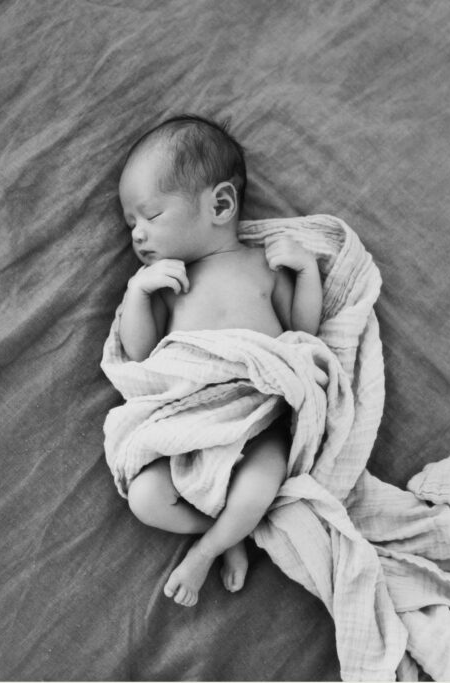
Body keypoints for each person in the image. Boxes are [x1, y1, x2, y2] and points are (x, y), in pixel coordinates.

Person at [116, 114, 323, 607]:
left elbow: (302, 334)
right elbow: (140, 354)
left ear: (221, 204)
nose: (138, 235)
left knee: (260, 484)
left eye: (151, 216)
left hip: (256, 420)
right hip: (191, 426)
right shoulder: (169, 282)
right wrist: (138, 294)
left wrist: (308, 272)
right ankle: (228, 534)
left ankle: (208, 550)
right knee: (145, 499)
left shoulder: (263, 265)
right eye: (131, 225)